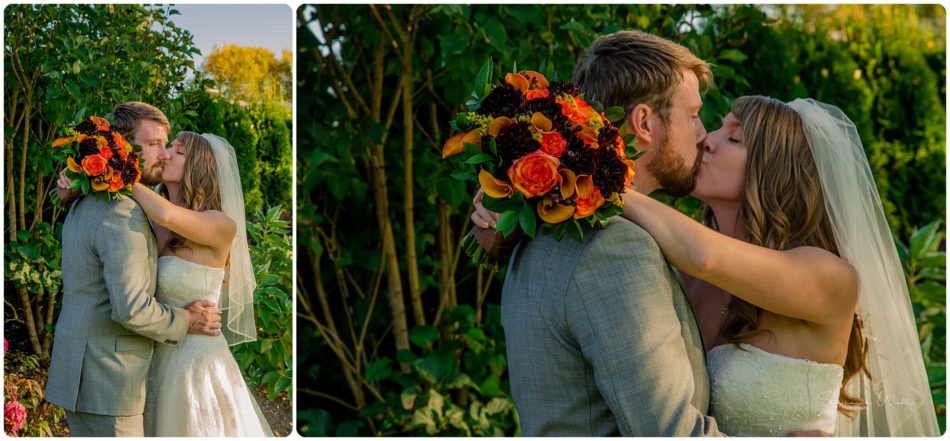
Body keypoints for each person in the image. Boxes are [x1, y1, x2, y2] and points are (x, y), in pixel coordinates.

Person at [617, 96, 939, 436]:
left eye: (734, 138)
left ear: (772, 168)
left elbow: (705, 255)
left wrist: (605, 183)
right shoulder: (684, 275)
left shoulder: (830, 277)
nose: (706, 140)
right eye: (717, 128)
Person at [476, 30, 725, 436]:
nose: (702, 135)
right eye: (693, 115)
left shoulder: (544, 226)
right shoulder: (614, 246)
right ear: (644, 122)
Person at [45, 102, 222, 437]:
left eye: (167, 145)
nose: (165, 153)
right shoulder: (122, 214)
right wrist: (188, 319)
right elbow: (132, 309)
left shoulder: (91, 200)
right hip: (110, 384)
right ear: (123, 147)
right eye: (154, 144)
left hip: (95, 376)